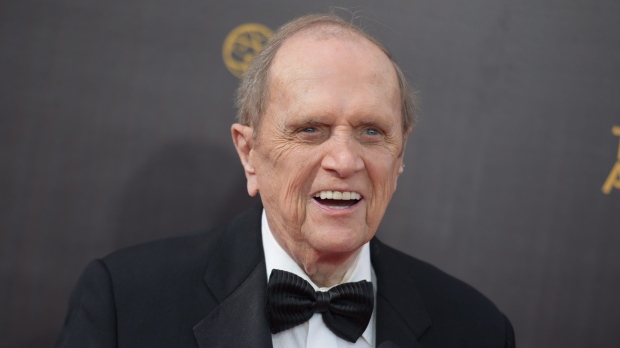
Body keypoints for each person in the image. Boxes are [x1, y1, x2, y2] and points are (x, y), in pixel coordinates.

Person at [56, 14, 515, 348]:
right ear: (249, 154)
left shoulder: (476, 329)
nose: (344, 159)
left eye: (371, 131)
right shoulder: (127, 305)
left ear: (400, 154)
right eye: (310, 129)